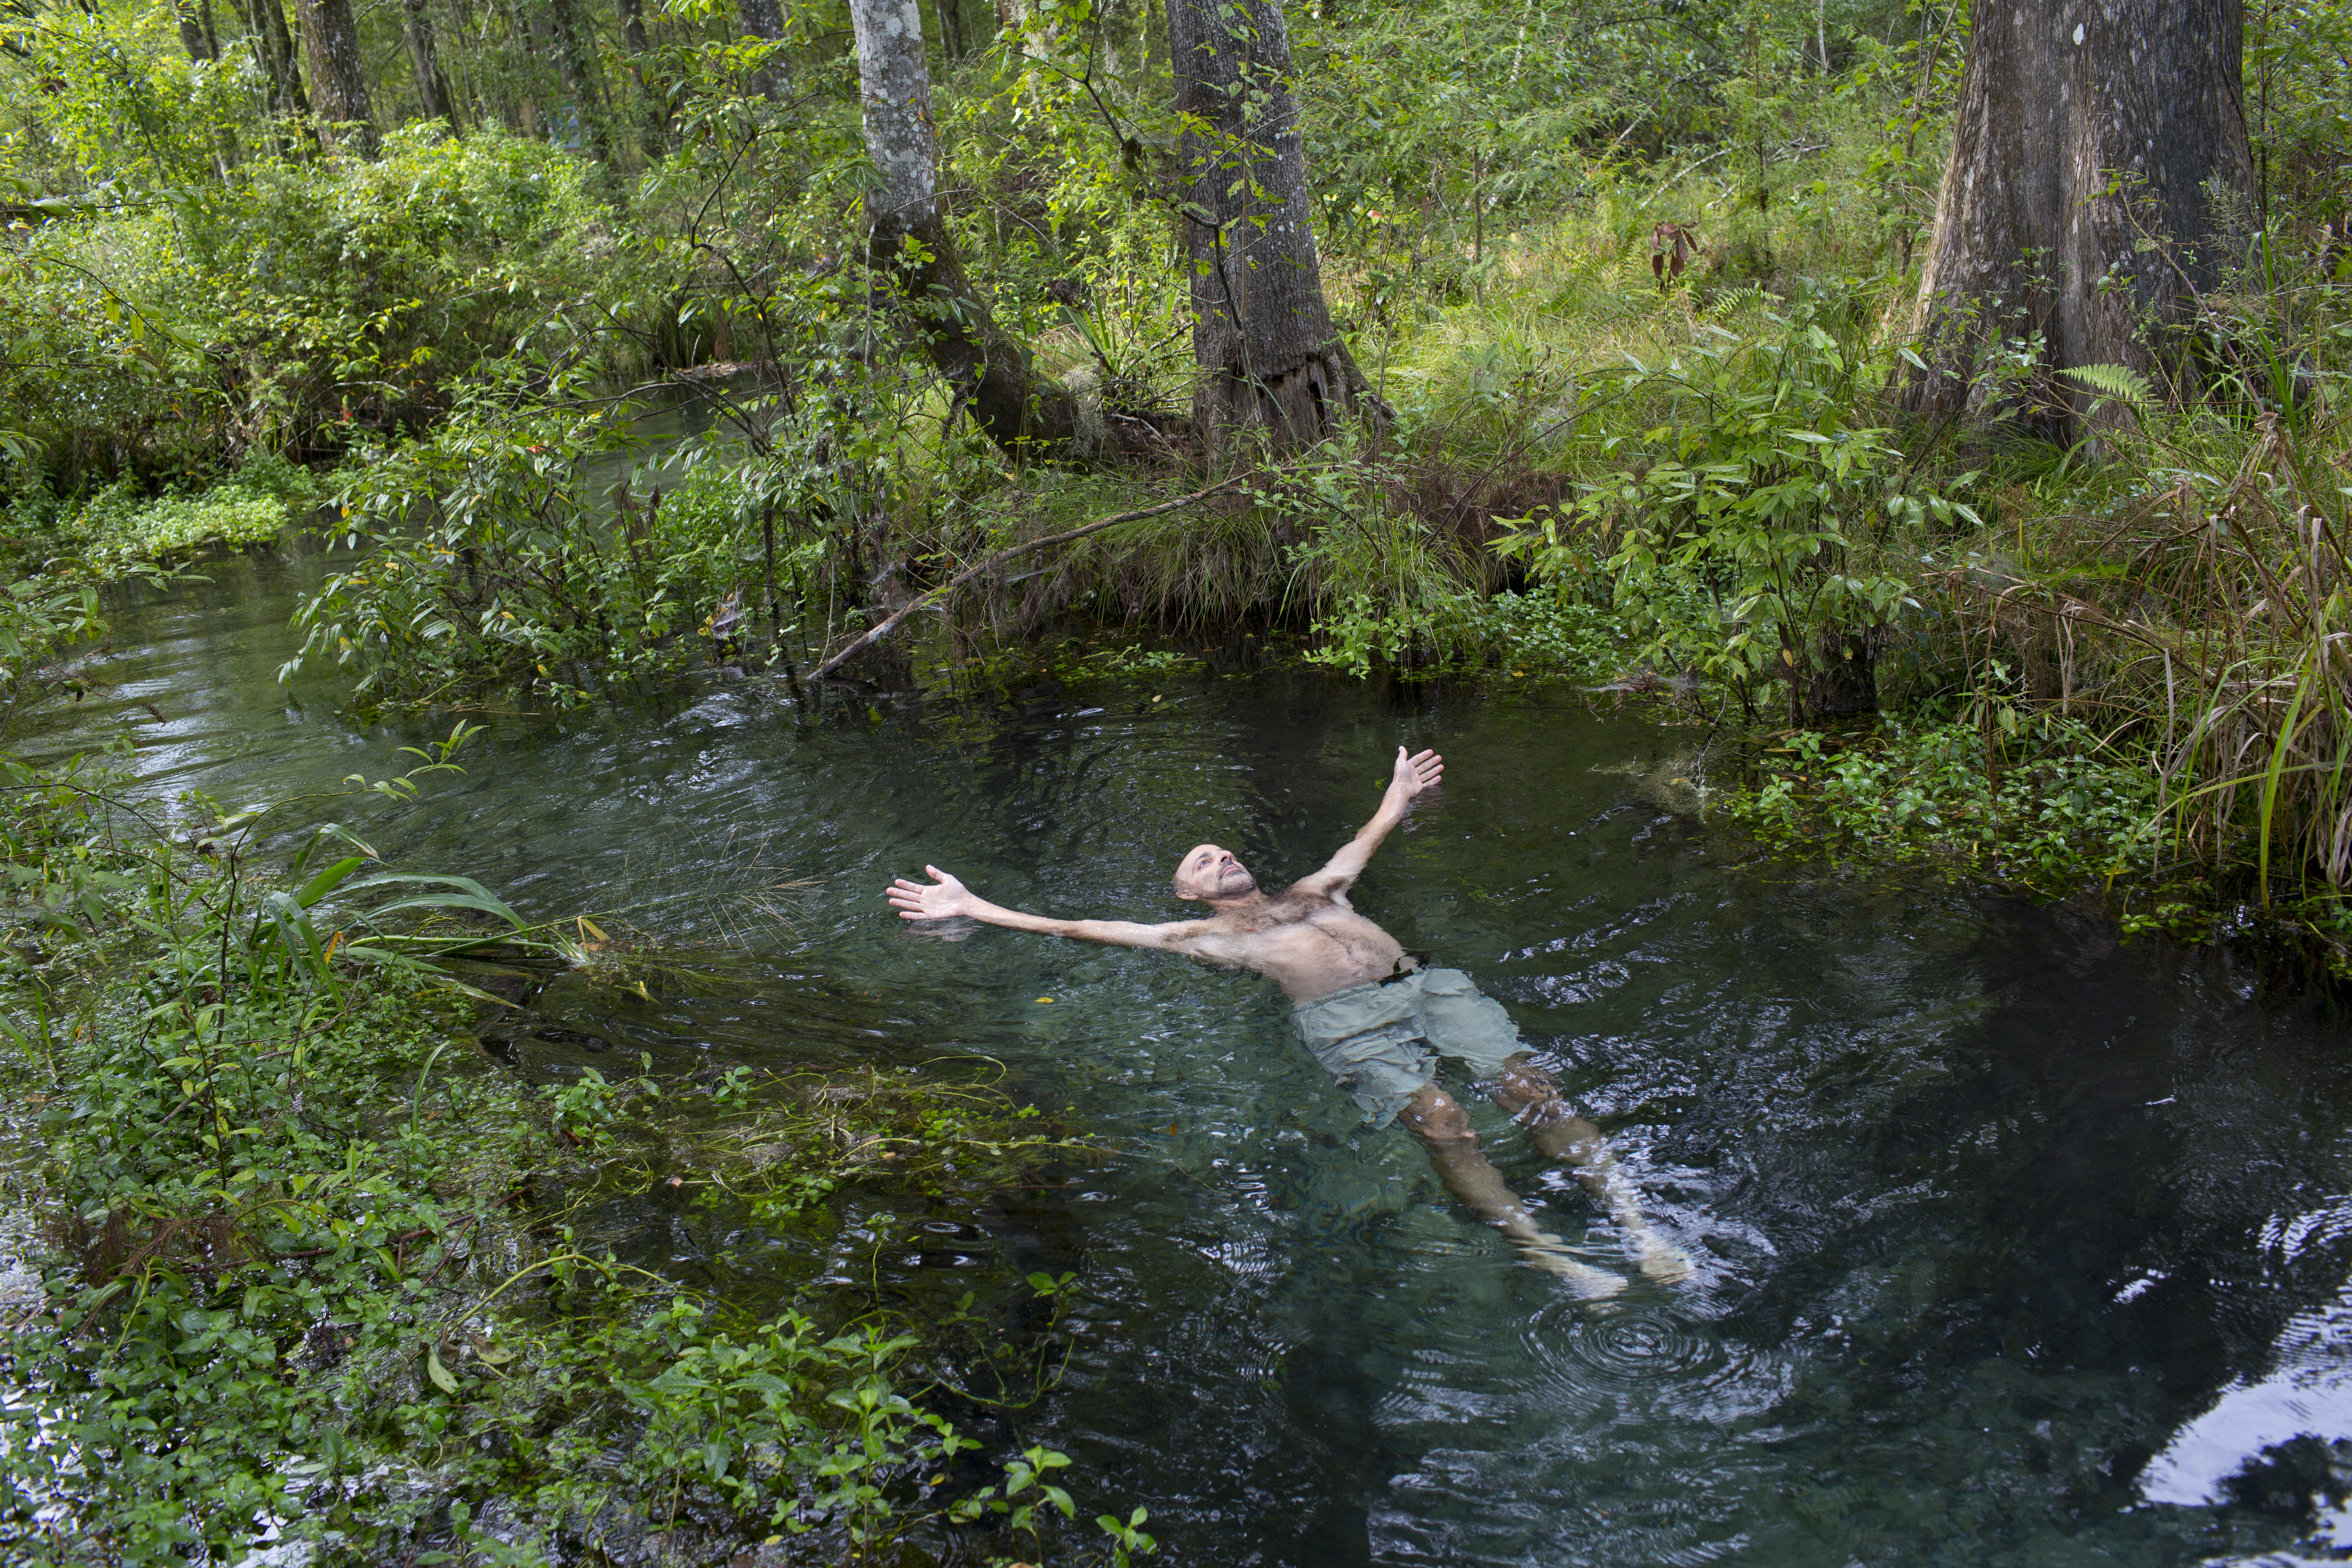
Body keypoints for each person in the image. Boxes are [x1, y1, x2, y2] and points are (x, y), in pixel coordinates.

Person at [885, 746, 1687, 1293]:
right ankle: (1551, 1256)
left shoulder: (1316, 889)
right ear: (1188, 895)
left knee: (1529, 1086)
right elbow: (1080, 929)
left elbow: (1367, 838)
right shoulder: (1198, 936)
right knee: (1442, 1122)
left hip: (1424, 987)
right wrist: (974, 906)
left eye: (1224, 850)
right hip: (1343, 1023)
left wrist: (1401, 789)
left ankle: (1635, 1225)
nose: (1221, 858)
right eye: (1201, 862)